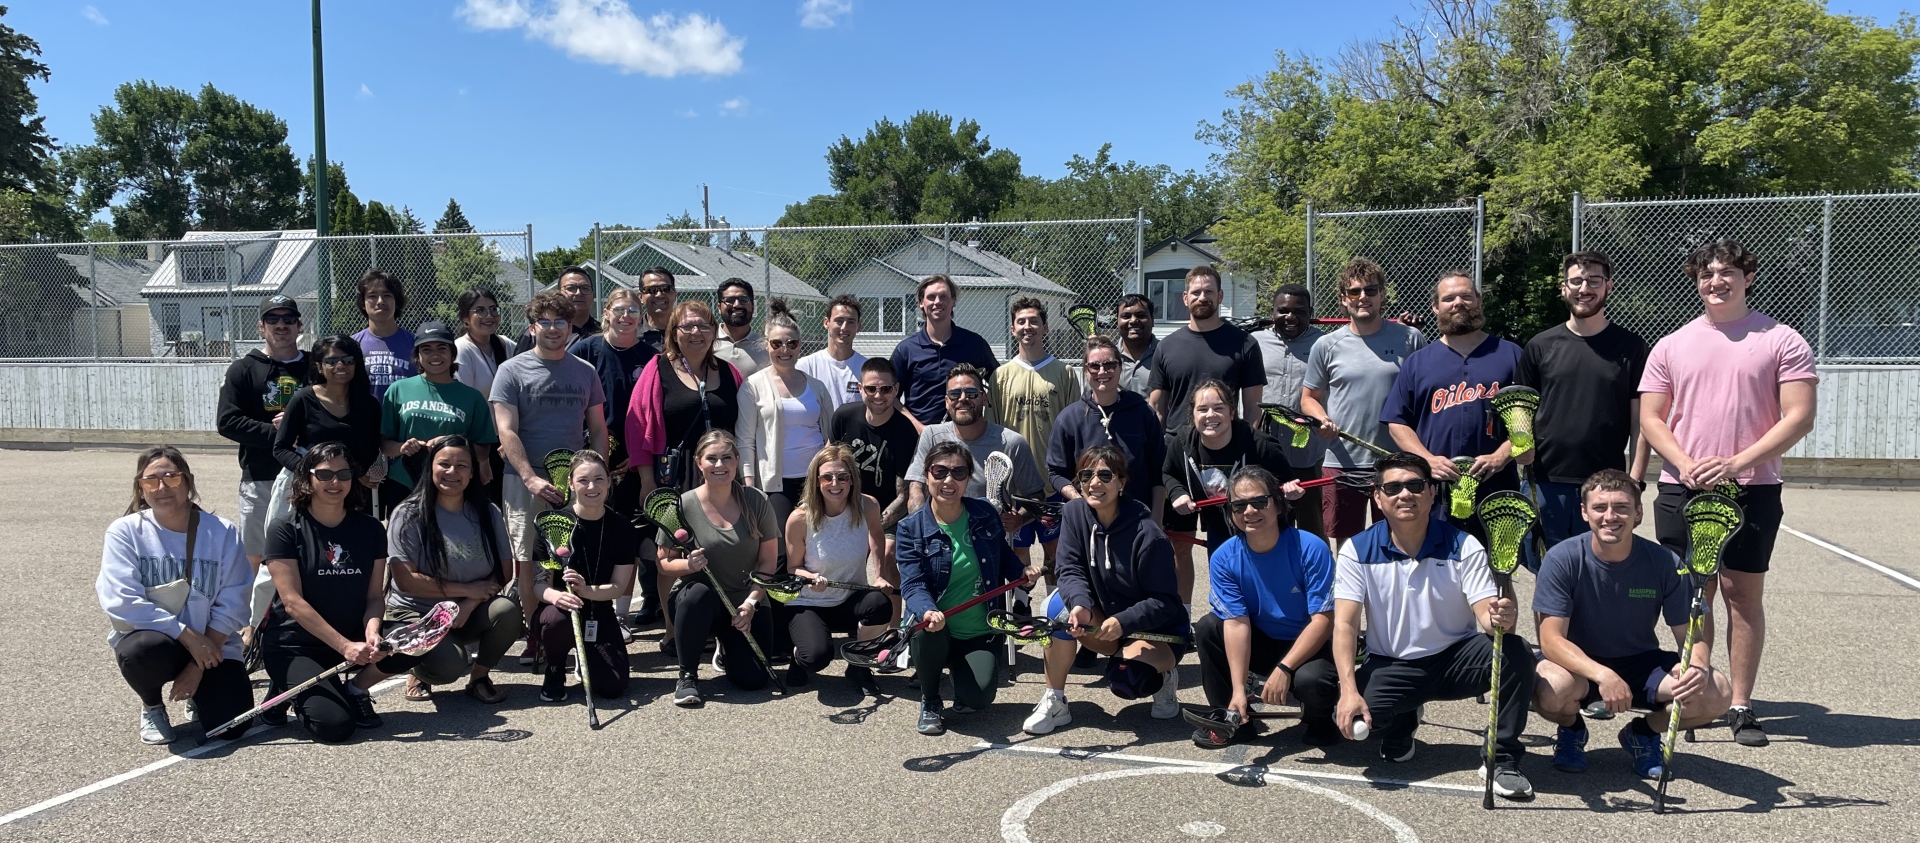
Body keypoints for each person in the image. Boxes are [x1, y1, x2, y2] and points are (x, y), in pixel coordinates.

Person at [1639, 237, 1817, 748]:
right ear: (1697, 282)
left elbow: (1799, 416)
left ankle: (1740, 704)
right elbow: (1652, 417)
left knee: (1742, 595)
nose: (1716, 281)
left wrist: (1736, 464)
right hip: (1683, 487)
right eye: (1706, 274)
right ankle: (1698, 695)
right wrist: (1685, 463)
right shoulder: (1672, 344)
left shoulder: (1781, 339)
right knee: (1692, 593)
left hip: (1753, 489)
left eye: (1726, 272)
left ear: (1747, 278)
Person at [1331, 452, 1537, 800]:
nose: (1404, 494)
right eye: (1393, 487)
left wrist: (1501, 616)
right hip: (1393, 663)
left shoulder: (1464, 544)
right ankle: (1403, 721)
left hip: (1455, 658)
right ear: (1377, 497)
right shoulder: (1357, 549)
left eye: (1415, 485)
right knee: (1359, 724)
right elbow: (1346, 626)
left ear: (1431, 493)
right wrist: (1348, 691)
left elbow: (1487, 616)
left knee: (1514, 653)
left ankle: (1501, 757)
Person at [1530, 470, 1734, 778]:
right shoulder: (1562, 558)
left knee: (1716, 691)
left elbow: (1693, 632)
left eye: (1622, 507)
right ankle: (1572, 730)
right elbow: (1551, 640)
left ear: (1638, 513)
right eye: (1600, 507)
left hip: (1640, 663)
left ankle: (1643, 733)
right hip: (1578, 666)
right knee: (1551, 687)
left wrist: (1697, 666)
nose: (1610, 516)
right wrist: (1603, 675)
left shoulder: (1664, 562)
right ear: (1585, 512)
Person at [1021, 446, 1185, 736]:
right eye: (1086, 475)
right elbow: (1069, 567)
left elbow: (1166, 602)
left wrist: (1124, 622)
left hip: (1155, 630)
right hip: (1103, 620)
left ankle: (1165, 677)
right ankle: (1055, 699)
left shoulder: (1148, 534)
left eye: (1105, 475)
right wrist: (1080, 605)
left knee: (1128, 681)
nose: (1094, 482)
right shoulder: (1073, 512)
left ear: (1121, 483)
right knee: (1056, 609)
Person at [98, 446, 255, 745]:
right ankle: (152, 707)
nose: (162, 487)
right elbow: (121, 601)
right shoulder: (125, 532)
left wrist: (198, 663)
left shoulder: (222, 532)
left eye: (171, 478)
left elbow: (235, 602)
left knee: (232, 727)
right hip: (160, 642)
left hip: (213, 644)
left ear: (188, 482)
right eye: (151, 481)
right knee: (140, 650)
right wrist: (184, 634)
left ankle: (198, 694)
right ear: (140, 489)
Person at [1190, 466, 1341, 749]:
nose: (1249, 511)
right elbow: (1236, 623)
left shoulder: (1310, 547)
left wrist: (1284, 668)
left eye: (1259, 502)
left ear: (1278, 503)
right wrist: (1237, 690)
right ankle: (1234, 716)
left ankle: (1320, 720)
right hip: (1260, 639)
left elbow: (1323, 620)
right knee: (1209, 626)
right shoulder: (1224, 557)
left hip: (1309, 642)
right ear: (1230, 512)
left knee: (1313, 680)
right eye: (1239, 505)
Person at [628, 300, 747, 652]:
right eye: (687, 327)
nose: (696, 333)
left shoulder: (729, 373)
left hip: (721, 477)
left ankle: (719, 626)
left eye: (703, 326)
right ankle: (672, 628)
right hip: (674, 480)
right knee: (672, 557)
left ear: (715, 331)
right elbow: (637, 426)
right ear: (674, 333)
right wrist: (647, 480)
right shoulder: (657, 369)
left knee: (723, 553)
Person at [260, 443, 397, 743]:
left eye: (343, 473)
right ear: (307, 479)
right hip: (296, 645)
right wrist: (345, 646)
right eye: (324, 475)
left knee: (412, 640)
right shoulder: (285, 529)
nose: (335, 482)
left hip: (350, 640)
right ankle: (283, 687)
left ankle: (354, 689)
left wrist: (372, 630)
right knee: (335, 727)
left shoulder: (371, 529)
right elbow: (293, 603)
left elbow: (375, 596)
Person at [490, 289, 608, 628]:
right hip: (525, 482)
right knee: (528, 558)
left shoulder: (585, 371)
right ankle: (534, 632)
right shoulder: (511, 371)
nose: (553, 328)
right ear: (531, 328)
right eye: (544, 322)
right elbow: (506, 430)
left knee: (571, 558)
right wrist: (529, 477)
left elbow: (598, 428)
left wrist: (595, 476)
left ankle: (568, 630)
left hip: (573, 483)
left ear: (570, 327)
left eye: (560, 322)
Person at [1518, 253, 1651, 550]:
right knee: (1549, 574)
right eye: (1576, 281)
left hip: (1606, 485)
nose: (1584, 288)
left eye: (1594, 280)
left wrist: (1635, 481)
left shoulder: (1632, 348)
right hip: (1545, 480)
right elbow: (1520, 411)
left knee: (1602, 574)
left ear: (1609, 287)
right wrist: (1521, 451)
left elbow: (1641, 423)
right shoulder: (1540, 346)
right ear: (1564, 288)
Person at [1381, 271, 1525, 540]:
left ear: (1479, 301)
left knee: (1498, 570)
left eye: (1466, 296)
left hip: (1495, 483)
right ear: (1436, 307)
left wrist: (1501, 456)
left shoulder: (1510, 354)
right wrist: (1427, 459)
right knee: (1436, 566)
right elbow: (1397, 422)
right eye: (1449, 298)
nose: (1458, 302)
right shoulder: (1418, 362)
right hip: (1436, 488)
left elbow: (1527, 421)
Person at [379, 437, 523, 704]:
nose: (453, 472)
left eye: (462, 465)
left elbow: (505, 571)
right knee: (449, 667)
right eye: (444, 464)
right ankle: (419, 668)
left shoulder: (487, 512)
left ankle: (479, 677)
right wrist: (467, 590)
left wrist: (469, 602)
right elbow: (406, 580)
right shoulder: (407, 514)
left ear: (472, 472)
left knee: (507, 611)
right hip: (418, 613)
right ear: (430, 467)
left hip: (465, 612)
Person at [896, 441, 1022, 736]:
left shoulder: (984, 514)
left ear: (968, 478)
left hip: (979, 627)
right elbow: (912, 584)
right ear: (927, 476)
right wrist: (928, 609)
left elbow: (1002, 555)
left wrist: (1021, 572)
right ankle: (930, 699)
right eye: (939, 472)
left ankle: (960, 669)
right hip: (937, 625)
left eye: (958, 472)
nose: (948, 480)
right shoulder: (910, 528)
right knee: (928, 627)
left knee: (978, 700)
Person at [1300, 258, 1427, 545]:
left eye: (1370, 290)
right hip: (1343, 461)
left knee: (1402, 538)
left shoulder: (1411, 339)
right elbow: (1309, 399)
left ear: (1382, 294)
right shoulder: (1326, 345)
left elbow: (1425, 396)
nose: (1363, 298)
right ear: (1344, 299)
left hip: (1398, 459)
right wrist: (1321, 419)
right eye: (1354, 292)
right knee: (1347, 545)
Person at [655, 431, 780, 706]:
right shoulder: (682, 504)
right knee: (697, 593)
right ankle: (687, 675)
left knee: (753, 680)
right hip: (699, 603)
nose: (719, 465)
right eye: (711, 458)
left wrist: (751, 603)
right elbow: (663, 562)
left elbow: (768, 561)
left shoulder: (756, 500)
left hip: (745, 602)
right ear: (699, 463)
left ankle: (727, 647)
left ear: (737, 461)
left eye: (726, 458)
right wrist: (688, 564)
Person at [216, 295, 310, 632]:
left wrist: (302, 426)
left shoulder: (315, 366)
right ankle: (247, 628)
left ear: (300, 325)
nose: (281, 325)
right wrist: (278, 432)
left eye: (288, 319)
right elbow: (227, 421)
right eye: (273, 319)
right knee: (255, 556)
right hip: (260, 476)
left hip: (309, 479)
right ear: (261, 325)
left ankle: (303, 622)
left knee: (306, 554)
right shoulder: (243, 369)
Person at [1162, 380, 1302, 598]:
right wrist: (1178, 493)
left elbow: (1288, 485)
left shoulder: (1261, 445)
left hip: (1262, 527)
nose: (1210, 415)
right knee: (1227, 586)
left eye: (1219, 408)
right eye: (1202, 409)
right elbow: (1168, 473)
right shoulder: (1181, 444)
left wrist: (1292, 491)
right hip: (1219, 525)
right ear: (1193, 414)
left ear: (1232, 412)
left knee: (1267, 584)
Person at [571, 287, 659, 627]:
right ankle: (582, 603)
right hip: (592, 457)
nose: (626, 317)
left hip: (633, 459)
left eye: (633, 311)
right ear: (606, 312)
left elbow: (652, 412)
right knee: (589, 531)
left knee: (625, 536)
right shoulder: (585, 350)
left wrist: (637, 456)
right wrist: (594, 457)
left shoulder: (651, 357)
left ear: (642, 316)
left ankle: (619, 616)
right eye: (619, 309)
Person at [779, 445, 892, 694]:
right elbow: (793, 568)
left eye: (842, 476)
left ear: (852, 479)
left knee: (881, 603)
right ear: (816, 480)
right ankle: (798, 656)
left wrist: (880, 573)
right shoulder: (800, 518)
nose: (835, 483)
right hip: (809, 603)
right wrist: (809, 577)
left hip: (849, 598)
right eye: (827, 477)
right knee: (816, 658)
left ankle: (858, 665)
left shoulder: (868, 506)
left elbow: (877, 537)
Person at [534, 450, 640, 703]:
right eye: (583, 480)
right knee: (558, 620)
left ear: (609, 481)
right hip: (559, 610)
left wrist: (585, 591)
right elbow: (539, 585)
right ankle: (556, 668)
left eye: (599, 479)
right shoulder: (552, 524)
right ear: (570, 483)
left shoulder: (622, 527)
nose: (591, 487)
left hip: (598, 610)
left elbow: (618, 587)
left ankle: (588, 660)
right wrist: (558, 597)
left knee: (613, 687)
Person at [904, 365, 1045, 539]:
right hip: (940, 539)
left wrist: (1020, 519)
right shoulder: (932, 436)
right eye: (955, 394)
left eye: (971, 393)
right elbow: (916, 488)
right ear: (946, 401)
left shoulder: (1012, 443)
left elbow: (1037, 496)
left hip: (990, 543)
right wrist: (920, 530)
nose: (962, 399)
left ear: (984, 398)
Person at [736, 299, 833, 548]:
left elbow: (830, 435)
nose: (785, 350)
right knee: (778, 548)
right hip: (773, 484)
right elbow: (745, 441)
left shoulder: (817, 386)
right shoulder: (752, 386)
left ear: (800, 345)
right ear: (766, 345)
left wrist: (828, 475)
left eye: (792, 343)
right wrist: (749, 487)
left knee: (814, 546)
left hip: (813, 480)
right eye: (777, 343)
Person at [992, 298, 1080, 574]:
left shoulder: (1064, 372)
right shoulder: (1001, 375)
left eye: (1033, 321)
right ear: (1012, 328)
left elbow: (1074, 429)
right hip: (1015, 487)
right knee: (1019, 556)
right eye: (1021, 322)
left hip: (1053, 482)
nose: (1027, 327)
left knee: (1055, 554)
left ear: (1045, 327)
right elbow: (993, 429)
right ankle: (1022, 612)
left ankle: (1057, 611)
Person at [379, 321, 497, 505]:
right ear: (417, 356)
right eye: (426, 349)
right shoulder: (398, 390)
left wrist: (449, 443)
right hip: (405, 483)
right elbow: (385, 444)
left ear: (452, 354)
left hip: (453, 483)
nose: (435, 355)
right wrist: (402, 447)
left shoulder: (472, 397)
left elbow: (482, 451)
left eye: (442, 348)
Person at [272, 334, 386, 525]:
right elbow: (281, 447)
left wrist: (351, 474)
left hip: (350, 492)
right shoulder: (303, 399)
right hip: (307, 490)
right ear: (319, 366)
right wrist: (312, 474)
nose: (340, 366)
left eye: (348, 360)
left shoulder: (369, 405)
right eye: (331, 361)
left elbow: (371, 448)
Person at [1049, 335, 1166, 520]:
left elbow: (1158, 470)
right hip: (1089, 519)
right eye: (1095, 366)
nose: (1102, 371)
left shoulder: (1143, 413)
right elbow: (1056, 473)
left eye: (1109, 365)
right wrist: (1080, 500)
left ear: (1120, 368)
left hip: (1137, 518)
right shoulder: (1069, 418)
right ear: (1086, 371)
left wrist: (1157, 517)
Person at [830, 357, 920, 583]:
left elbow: (904, 493)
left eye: (886, 389)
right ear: (860, 389)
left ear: (896, 390)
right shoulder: (844, 417)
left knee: (888, 555)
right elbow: (827, 464)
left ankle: (895, 618)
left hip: (888, 513)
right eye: (871, 388)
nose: (878, 395)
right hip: (846, 506)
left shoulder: (905, 430)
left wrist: (872, 525)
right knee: (841, 561)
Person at [1254, 284, 1329, 536]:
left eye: (1299, 311)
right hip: (1266, 452)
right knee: (1271, 526)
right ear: (1272, 312)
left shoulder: (1325, 344)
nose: (1290, 317)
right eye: (1283, 311)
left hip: (1308, 453)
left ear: (1311, 312)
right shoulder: (1255, 342)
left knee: (1312, 528)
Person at [1146, 265, 1264, 424]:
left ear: (1220, 296)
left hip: (1226, 444)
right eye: (1196, 292)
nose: (1202, 298)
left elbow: (1253, 409)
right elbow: (1156, 409)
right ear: (1185, 298)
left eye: (1209, 292)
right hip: (1176, 445)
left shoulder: (1245, 344)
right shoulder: (1166, 347)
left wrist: (1247, 444)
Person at [891, 275, 997, 428]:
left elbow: (998, 385)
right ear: (921, 303)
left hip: (965, 436)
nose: (937, 302)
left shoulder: (974, 344)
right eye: (931, 297)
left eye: (943, 296)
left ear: (953, 301)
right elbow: (890, 396)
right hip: (919, 437)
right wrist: (917, 427)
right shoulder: (906, 349)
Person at [453, 289, 511, 504]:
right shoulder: (461, 349)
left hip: (505, 440)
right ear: (465, 318)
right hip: (479, 444)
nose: (489, 315)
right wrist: (481, 456)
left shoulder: (505, 344)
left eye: (493, 309)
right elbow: (467, 405)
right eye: (480, 310)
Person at [352, 269, 416, 403]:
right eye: (372, 296)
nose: (380, 301)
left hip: (404, 422)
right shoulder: (353, 344)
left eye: (387, 295)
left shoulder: (415, 343)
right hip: (366, 422)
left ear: (396, 301)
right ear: (363, 303)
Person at [797, 294, 868, 411]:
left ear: (858, 326)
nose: (844, 327)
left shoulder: (867, 368)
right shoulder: (806, 366)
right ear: (826, 322)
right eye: (839, 321)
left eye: (850, 322)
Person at [512, 267, 601, 355]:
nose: (578, 293)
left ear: (593, 295)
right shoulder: (538, 332)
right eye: (571, 288)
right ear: (559, 294)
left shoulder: (603, 333)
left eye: (585, 288)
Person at [713, 277, 767, 377]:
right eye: (730, 300)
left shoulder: (766, 347)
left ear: (753, 306)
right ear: (719, 307)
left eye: (743, 300)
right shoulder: (707, 343)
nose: (737, 305)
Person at [1114, 293, 1158, 397]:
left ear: (1152, 320)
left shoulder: (1165, 355)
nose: (1133, 320)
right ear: (1117, 321)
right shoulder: (1108, 359)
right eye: (1126, 316)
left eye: (1141, 315)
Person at [636, 267, 678, 354]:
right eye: (651, 290)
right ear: (640, 297)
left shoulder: (687, 331)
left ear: (675, 294)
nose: (659, 294)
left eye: (665, 288)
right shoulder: (632, 334)